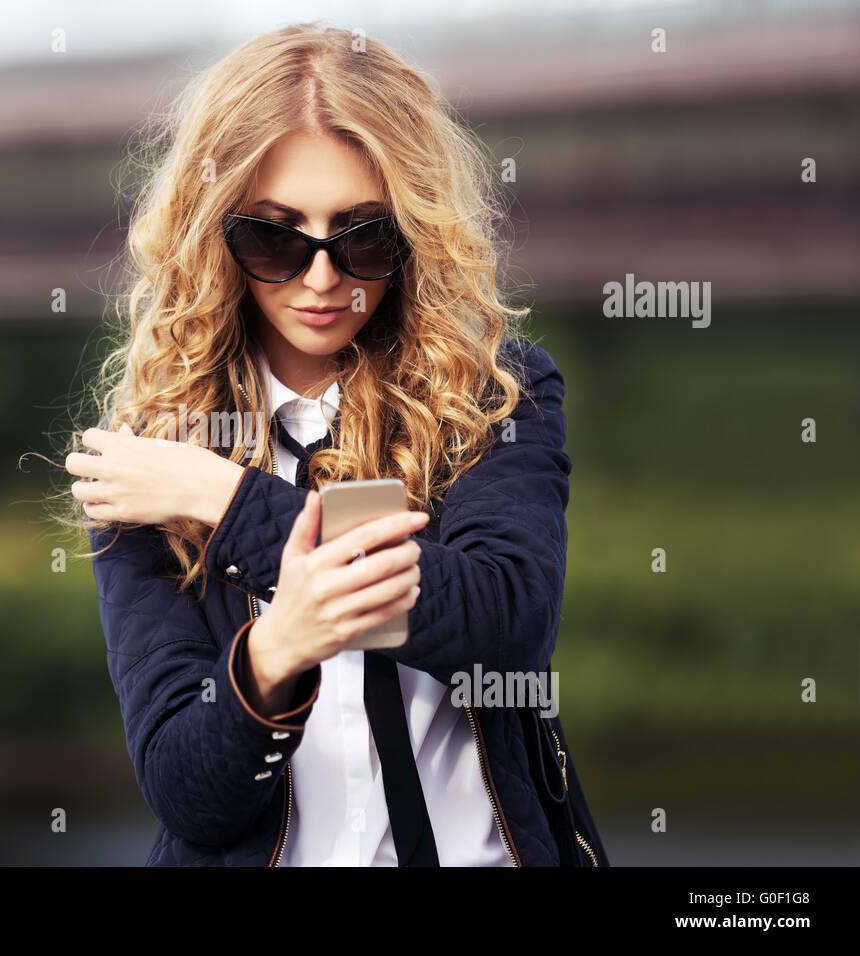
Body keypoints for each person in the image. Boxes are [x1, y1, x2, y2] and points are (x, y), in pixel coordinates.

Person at [61, 23, 608, 866]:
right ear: (217, 234)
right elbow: (186, 792)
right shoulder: (150, 461)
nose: (322, 279)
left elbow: (506, 620)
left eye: (361, 236)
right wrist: (279, 651)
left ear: (413, 231)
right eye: (276, 236)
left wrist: (227, 501)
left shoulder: (495, 392)